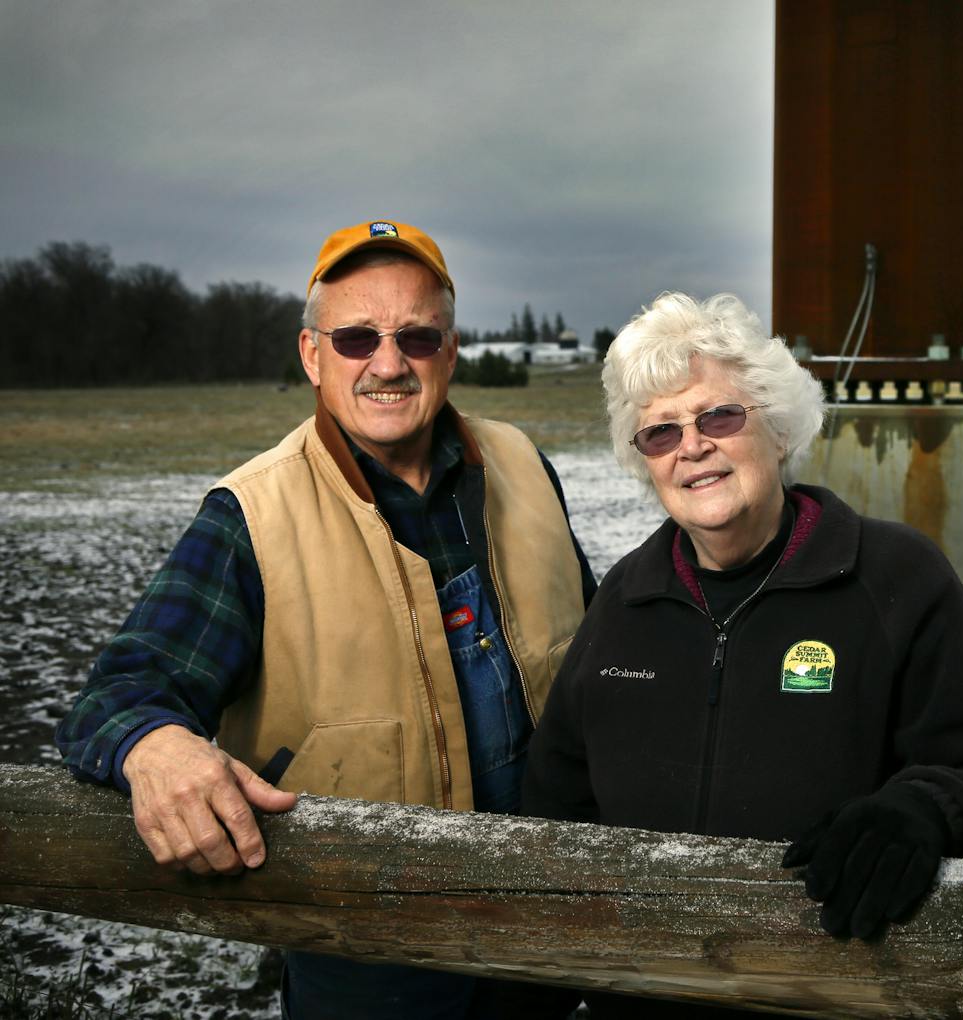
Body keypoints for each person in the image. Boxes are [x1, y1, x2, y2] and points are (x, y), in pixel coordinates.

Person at [56, 219, 596, 1019]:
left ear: (449, 352)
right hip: (366, 947)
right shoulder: (251, 514)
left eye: (417, 335)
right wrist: (156, 746)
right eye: (356, 338)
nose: (388, 363)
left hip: (547, 927)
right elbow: (121, 693)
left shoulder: (522, 463)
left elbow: (602, 660)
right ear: (312, 355)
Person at [522, 292, 963, 1017]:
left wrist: (923, 809)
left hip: (840, 992)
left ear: (776, 427)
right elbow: (556, 804)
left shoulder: (896, 578)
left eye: (718, 416)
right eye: (660, 432)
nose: (692, 446)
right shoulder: (626, 602)